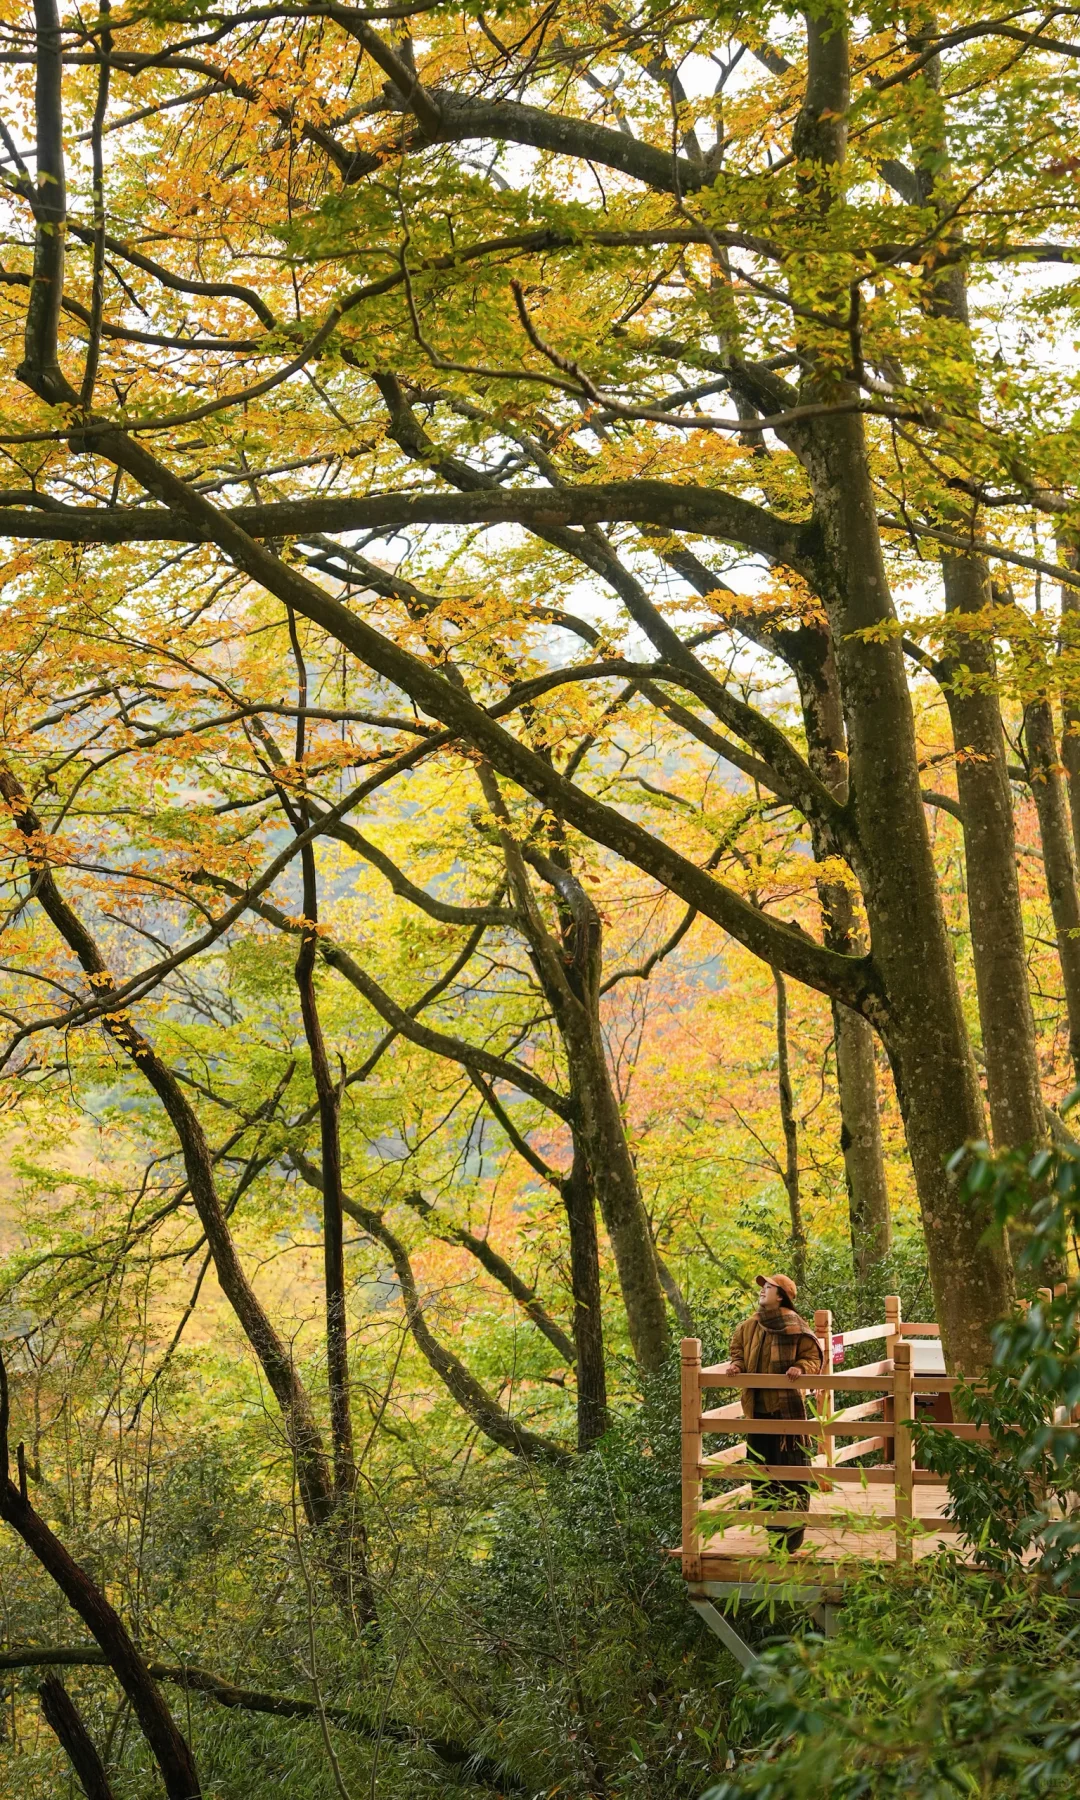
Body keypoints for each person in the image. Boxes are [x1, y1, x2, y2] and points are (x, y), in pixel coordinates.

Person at [714, 1273, 823, 1552]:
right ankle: (773, 1531)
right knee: (761, 1473)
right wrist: (736, 1366)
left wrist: (800, 1367)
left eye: (769, 1287)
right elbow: (737, 1350)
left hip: (785, 1415)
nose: (762, 1290)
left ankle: (793, 1532)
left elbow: (813, 1356)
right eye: (762, 1287)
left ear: (781, 1295)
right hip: (757, 1412)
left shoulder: (795, 1325)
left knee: (791, 1472)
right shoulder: (750, 1324)